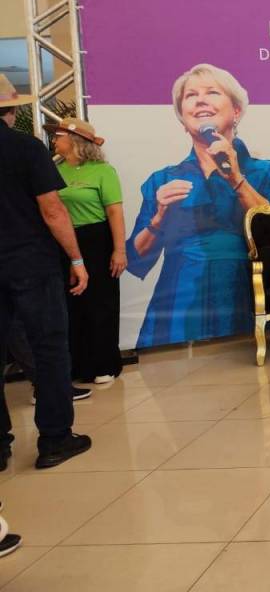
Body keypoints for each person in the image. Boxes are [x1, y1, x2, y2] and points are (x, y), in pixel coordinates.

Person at [126, 64, 270, 347]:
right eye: (191, 96)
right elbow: (136, 259)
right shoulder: (162, 180)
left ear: (236, 111)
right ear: (182, 118)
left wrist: (237, 179)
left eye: (212, 92)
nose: (200, 100)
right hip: (180, 303)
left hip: (244, 291)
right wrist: (159, 217)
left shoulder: (265, 172)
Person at [0, 74, 93, 487]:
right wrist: (76, 258)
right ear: (11, 110)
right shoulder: (25, 148)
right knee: (50, 347)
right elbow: (52, 209)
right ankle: (55, 439)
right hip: (30, 263)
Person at [43, 118, 125, 384]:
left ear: (75, 141)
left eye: (59, 136)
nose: (55, 140)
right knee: (71, 304)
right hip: (64, 241)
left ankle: (105, 363)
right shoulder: (54, 170)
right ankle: (78, 365)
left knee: (100, 302)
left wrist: (119, 250)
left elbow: (114, 212)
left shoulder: (102, 171)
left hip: (96, 239)